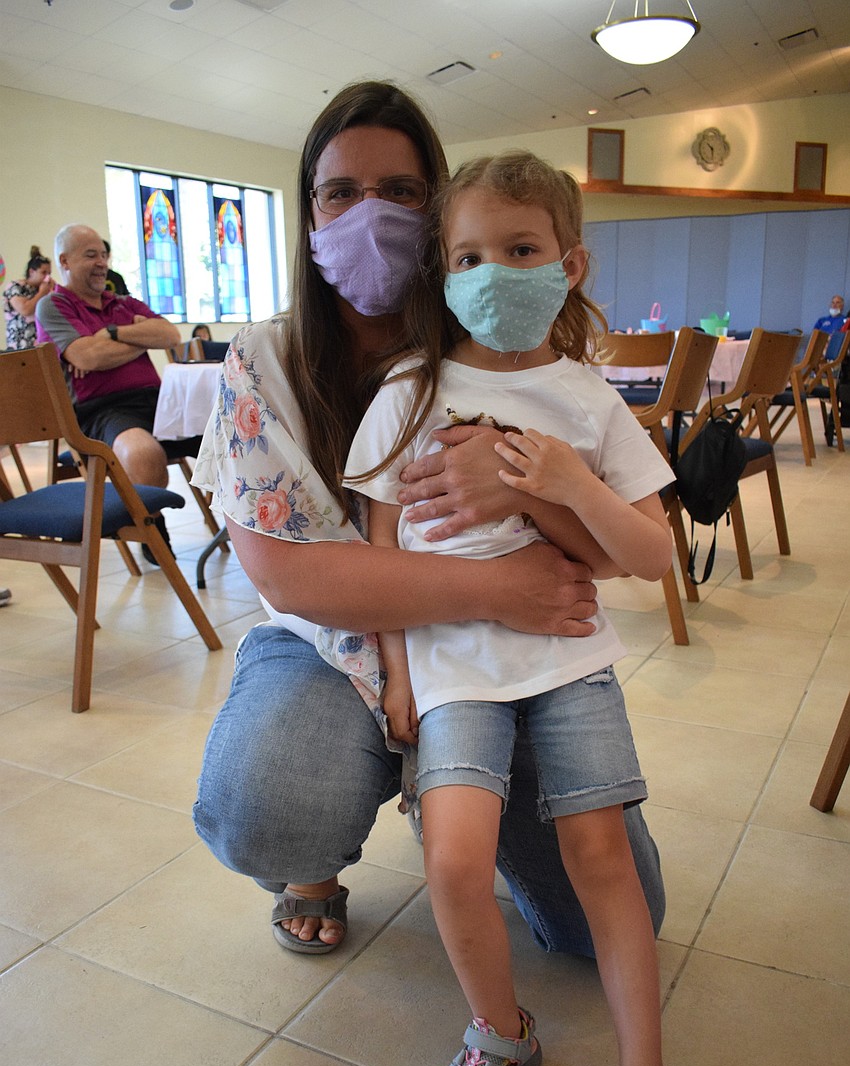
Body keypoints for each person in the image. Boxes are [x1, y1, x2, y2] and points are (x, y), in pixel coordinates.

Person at [191, 83, 665, 997]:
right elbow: (288, 578)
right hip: (335, 647)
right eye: (340, 192)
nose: (369, 214)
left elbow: (619, 548)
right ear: (308, 212)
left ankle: (456, 796)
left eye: (402, 192)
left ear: (440, 208)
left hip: (499, 658)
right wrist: (493, 589)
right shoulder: (266, 359)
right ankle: (315, 862)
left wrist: (525, 484)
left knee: (607, 914)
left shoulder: (504, 344)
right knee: (271, 801)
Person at [334, 149, 681, 1066]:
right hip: (451, 666)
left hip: (569, 656)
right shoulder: (410, 390)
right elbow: (378, 540)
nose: (493, 275)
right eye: (468, 257)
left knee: (601, 856)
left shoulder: (586, 396)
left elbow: (654, 554)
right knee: (450, 857)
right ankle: (500, 1033)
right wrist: (394, 669)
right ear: (441, 273)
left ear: (568, 263)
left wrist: (569, 479)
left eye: (520, 251)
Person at [35, 224, 181, 492]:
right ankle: (153, 532)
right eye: (91, 255)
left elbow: (170, 336)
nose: (102, 263)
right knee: (143, 454)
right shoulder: (54, 305)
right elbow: (89, 357)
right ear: (64, 261)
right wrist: (141, 338)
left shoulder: (124, 302)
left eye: (104, 255)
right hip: (104, 411)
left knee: (233, 436)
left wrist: (112, 333)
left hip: (159, 401)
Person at [3, 247, 54, 350]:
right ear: (31, 272)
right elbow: (25, 310)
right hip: (19, 347)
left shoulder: (43, 289)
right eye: (43, 273)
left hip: (41, 346)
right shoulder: (15, 287)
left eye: (49, 273)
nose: (47, 277)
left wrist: (53, 291)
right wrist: (42, 293)